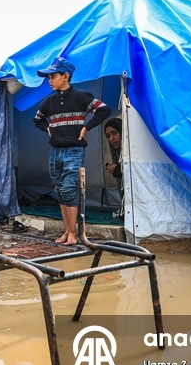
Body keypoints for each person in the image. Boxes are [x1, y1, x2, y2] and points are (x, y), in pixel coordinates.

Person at [33, 57, 111, 244]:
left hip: (74, 151)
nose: (49, 80)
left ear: (65, 76)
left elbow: (103, 110)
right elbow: (38, 120)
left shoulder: (81, 97)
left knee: (69, 189)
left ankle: (73, 234)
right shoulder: (48, 102)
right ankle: (67, 232)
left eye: (53, 76)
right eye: (48, 77)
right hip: (55, 152)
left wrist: (86, 127)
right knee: (60, 190)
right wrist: (48, 129)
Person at [103, 117, 124, 217]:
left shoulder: (135, 149)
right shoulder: (117, 152)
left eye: (115, 133)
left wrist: (117, 170)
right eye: (108, 135)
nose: (111, 138)